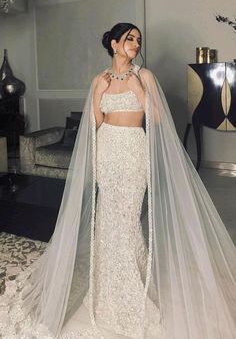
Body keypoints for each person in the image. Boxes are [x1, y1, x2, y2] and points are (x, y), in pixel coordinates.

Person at [0, 23, 235, 339]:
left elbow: (158, 119)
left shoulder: (145, 76)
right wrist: (97, 95)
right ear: (113, 44)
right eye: (129, 39)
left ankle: (130, 286)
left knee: (126, 221)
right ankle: (109, 285)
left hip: (133, 151)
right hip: (106, 152)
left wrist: (139, 90)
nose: (135, 43)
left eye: (138, 39)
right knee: (108, 220)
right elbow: (95, 124)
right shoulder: (100, 79)